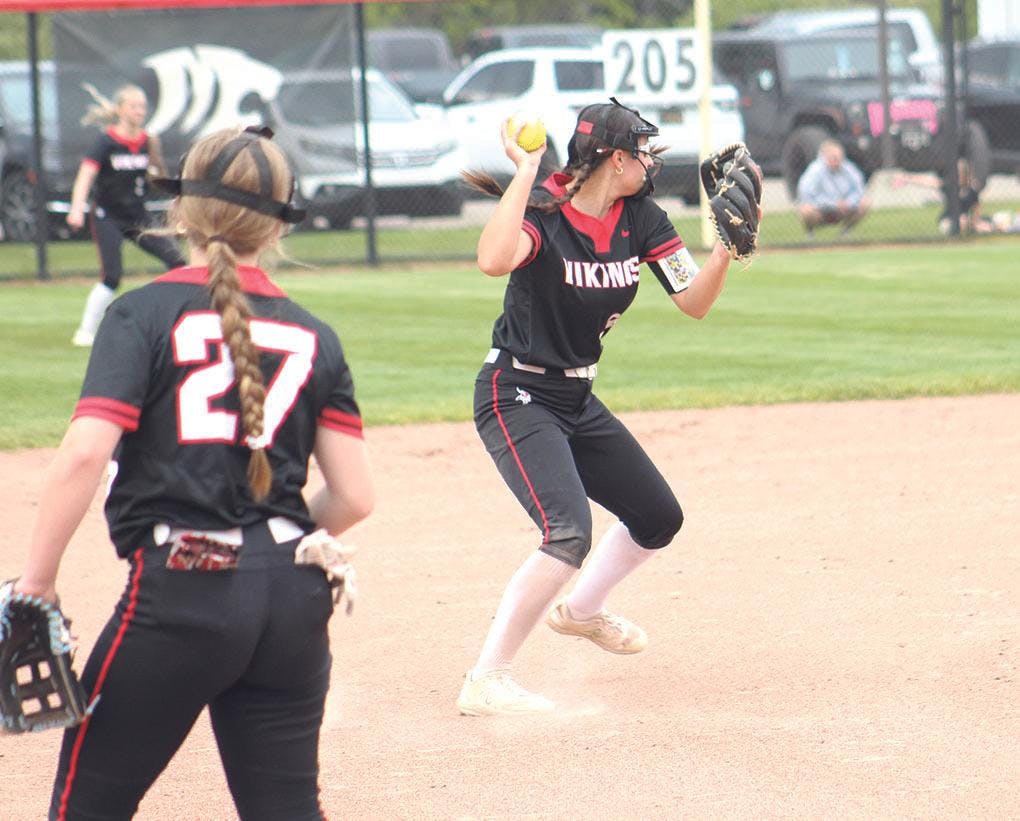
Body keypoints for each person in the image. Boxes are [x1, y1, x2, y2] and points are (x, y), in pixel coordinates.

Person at [13, 126, 374, 819]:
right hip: (296, 597)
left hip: (183, 593)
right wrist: (273, 553)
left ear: (178, 212)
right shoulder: (315, 334)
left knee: (87, 805)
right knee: (288, 808)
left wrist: (38, 584)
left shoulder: (142, 313)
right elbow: (356, 495)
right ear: (275, 229)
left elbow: (85, 454)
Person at [455, 99, 754, 716]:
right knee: (566, 532)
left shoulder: (640, 217)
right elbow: (491, 260)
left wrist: (724, 252)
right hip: (516, 393)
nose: (650, 159)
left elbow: (692, 302)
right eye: (641, 150)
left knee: (657, 516)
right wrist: (524, 171)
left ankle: (583, 610)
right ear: (615, 160)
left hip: (576, 395)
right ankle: (487, 677)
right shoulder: (547, 211)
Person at [68, 83, 186, 347]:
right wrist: (77, 208)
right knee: (112, 276)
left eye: (143, 106)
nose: (139, 111)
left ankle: (170, 319)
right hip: (107, 215)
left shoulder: (146, 141)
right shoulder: (106, 142)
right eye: (134, 106)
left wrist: (167, 185)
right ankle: (86, 331)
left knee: (179, 263)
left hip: (137, 215)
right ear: (121, 109)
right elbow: (86, 175)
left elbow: (157, 175)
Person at [892, 159, 996, 235]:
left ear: (965, 175)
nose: (958, 177)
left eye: (961, 174)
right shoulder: (949, 186)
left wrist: (974, 222)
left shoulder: (971, 191)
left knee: (986, 227)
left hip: (968, 220)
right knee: (954, 224)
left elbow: (976, 210)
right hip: (949, 219)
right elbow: (927, 181)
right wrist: (906, 178)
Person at [796, 138, 871, 237]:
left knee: (865, 202)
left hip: (844, 209)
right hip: (821, 210)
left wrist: (848, 202)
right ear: (824, 157)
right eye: (834, 157)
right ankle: (810, 233)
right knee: (806, 209)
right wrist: (833, 204)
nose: (837, 160)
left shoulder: (849, 169)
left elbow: (859, 190)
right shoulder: (814, 171)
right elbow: (807, 195)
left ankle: (845, 232)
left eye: (840, 157)